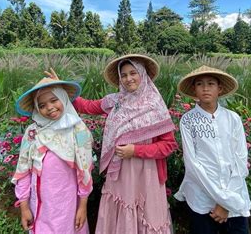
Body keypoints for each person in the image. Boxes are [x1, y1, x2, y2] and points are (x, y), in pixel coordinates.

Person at [46, 54, 178, 234]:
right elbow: (87, 106)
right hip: (120, 174)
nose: (128, 79)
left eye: (133, 73)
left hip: (147, 176)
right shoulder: (115, 101)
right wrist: (61, 88)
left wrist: (136, 150)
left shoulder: (155, 105)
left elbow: (168, 145)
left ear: (143, 74)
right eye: (123, 75)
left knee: (147, 216)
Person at [174, 65, 251, 234]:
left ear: (220, 89)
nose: (206, 88)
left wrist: (225, 202)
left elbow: (240, 160)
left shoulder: (233, 119)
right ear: (194, 90)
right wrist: (221, 199)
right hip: (201, 195)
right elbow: (193, 164)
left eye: (211, 83)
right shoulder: (188, 121)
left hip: (234, 192)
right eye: (200, 84)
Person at [12, 77, 94, 233]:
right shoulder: (32, 132)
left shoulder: (78, 130)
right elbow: (23, 170)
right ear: (37, 109)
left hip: (69, 205)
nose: (49, 107)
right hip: (41, 207)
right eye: (42, 105)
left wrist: (82, 206)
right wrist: (24, 206)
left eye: (54, 100)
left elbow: (85, 170)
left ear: (63, 98)